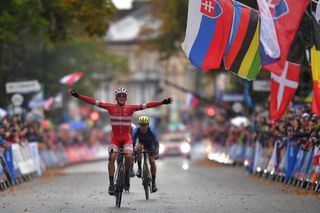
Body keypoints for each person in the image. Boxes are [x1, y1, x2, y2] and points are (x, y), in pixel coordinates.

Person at [68, 87, 172, 195]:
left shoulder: (131, 108)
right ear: (116, 98)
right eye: (119, 96)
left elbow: (147, 105)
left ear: (126, 98)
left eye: (124, 96)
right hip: (115, 139)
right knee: (112, 157)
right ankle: (111, 184)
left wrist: (162, 102)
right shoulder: (110, 107)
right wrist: (78, 96)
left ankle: (127, 176)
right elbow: (93, 101)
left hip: (127, 139)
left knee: (128, 156)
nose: (121, 97)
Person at [132, 116, 159, 192]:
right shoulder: (136, 130)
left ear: (147, 125)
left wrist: (157, 153)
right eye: (141, 125)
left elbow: (156, 143)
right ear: (139, 125)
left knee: (152, 162)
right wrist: (133, 151)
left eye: (145, 125)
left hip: (150, 144)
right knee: (138, 148)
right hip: (141, 143)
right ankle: (140, 169)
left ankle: (153, 183)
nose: (143, 127)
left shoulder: (152, 130)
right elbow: (133, 142)